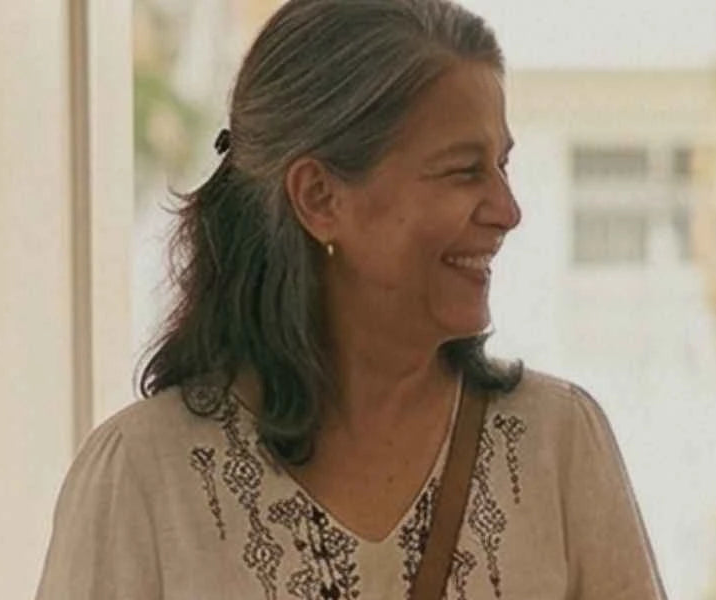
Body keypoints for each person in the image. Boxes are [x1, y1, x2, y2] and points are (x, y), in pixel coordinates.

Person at [34, 1, 662, 597]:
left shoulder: (558, 445)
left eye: (502, 165)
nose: (508, 210)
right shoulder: (141, 478)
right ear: (319, 197)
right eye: (463, 171)